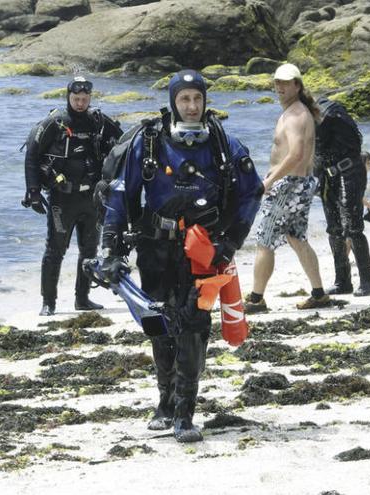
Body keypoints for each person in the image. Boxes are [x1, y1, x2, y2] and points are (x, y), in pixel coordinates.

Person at [101, 70, 263, 442]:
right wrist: (110, 246)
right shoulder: (150, 142)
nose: (191, 106)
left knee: (193, 327)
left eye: (197, 98)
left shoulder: (225, 145)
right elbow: (121, 193)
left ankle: (185, 412)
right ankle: (164, 399)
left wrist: (232, 241)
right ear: (174, 101)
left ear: (205, 101)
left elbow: (251, 192)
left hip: (204, 251)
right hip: (155, 246)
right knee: (158, 323)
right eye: (184, 99)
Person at [24, 76, 123, 316]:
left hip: (92, 199)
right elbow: (32, 155)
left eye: (84, 99)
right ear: (68, 97)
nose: (80, 103)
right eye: (76, 99)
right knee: (55, 250)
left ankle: (82, 299)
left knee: (89, 250)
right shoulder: (55, 122)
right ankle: (49, 303)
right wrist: (34, 192)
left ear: (90, 98)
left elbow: (123, 144)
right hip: (62, 198)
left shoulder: (98, 121)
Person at [244, 63, 328, 313]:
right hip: (299, 185)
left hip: (289, 186)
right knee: (297, 238)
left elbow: (296, 153)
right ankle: (319, 294)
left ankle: (256, 299)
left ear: (297, 86)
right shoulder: (299, 111)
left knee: (264, 241)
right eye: (277, 82)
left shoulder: (294, 115)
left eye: (285, 82)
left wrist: (269, 181)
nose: (279, 87)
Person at [316, 97, 370, 296]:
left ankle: (368, 284)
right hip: (328, 175)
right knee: (334, 230)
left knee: (353, 228)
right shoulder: (307, 118)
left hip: (349, 172)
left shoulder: (328, 115)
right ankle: (342, 282)